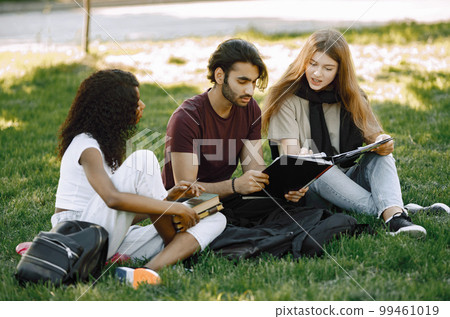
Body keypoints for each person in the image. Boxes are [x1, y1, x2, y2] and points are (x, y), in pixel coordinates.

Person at [162, 39, 359, 259]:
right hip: (185, 211)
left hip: (225, 202)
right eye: (242, 81)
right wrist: (236, 185)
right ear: (220, 76)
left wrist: (286, 187)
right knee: (224, 221)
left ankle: (274, 237)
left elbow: (254, 169)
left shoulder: (249, 109)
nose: (249, 90)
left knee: (293, 209)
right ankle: (281, 239)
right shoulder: (187, 117)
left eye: (254, 82)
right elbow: (187, 191)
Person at [262, 29, 449, 237]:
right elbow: (293, 164)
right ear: (303, 61)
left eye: (327, 68)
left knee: (380, 157)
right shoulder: (287, 100)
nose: (317, 73)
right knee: (319, 167)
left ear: (339, 71)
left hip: (346, 180)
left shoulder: (353, 96)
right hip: (309, 190)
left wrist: (382, 141)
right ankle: (395, 211)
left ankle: (395, 215)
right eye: (312, 64)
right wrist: (304, 163)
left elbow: (373, 136)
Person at [52, 69, 226, 288]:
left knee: (216, 218)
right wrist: (174, 209)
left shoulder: (107, 147)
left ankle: (147, 271)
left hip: (108, 238)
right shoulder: (86, 146)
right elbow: (112, 200)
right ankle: (177, 253)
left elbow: (120, 216)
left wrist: (169, 199)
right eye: (134, 102)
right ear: (113, 110)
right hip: (78, 237)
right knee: (143, 158)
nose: (142, 105)